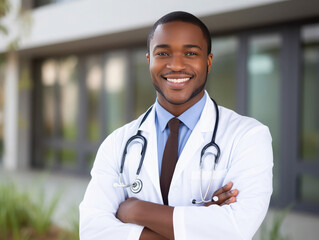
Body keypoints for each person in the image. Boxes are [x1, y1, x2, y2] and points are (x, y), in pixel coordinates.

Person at [80, 11, 273, 240]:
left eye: (191, 53)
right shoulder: (117, 143)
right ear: (149, 60)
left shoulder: (248, 136)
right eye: (163, 53)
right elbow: (92, 230)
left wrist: (136, 210)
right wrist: (200, 225)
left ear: (208, 62)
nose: (176, 65)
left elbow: (236, 228)